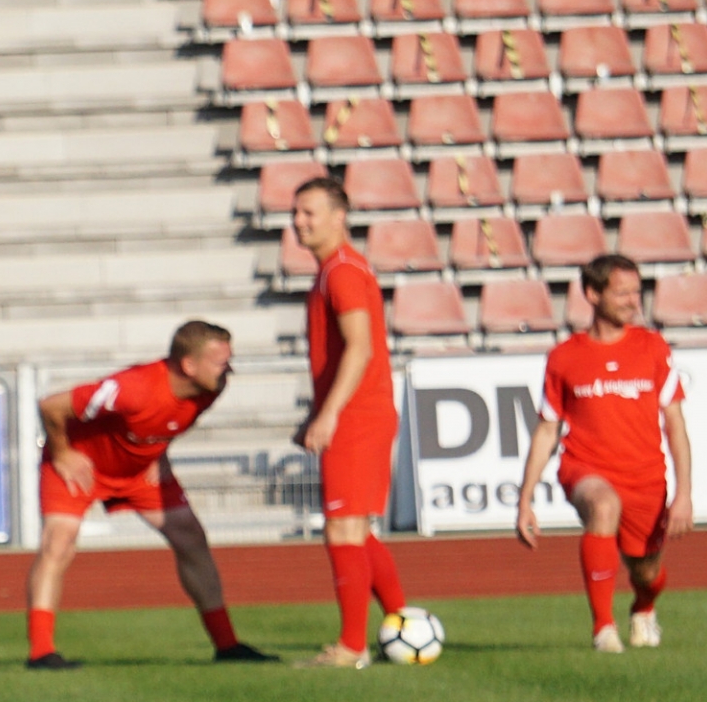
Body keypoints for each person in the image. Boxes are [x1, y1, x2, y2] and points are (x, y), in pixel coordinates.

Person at [24, 321, 276, 668]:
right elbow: (51, 406)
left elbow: (165, 420)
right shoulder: (134, 388)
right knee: (58, 542)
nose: (229, 369)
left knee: (191, 537)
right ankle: (41, 652)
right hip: (80, 464)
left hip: (140, 471)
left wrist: (160, 453)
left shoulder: (211, 389)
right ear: (189, 365)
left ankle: (228, 646)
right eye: (221, 362)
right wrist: (63, 454)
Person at [517, 255, 692, 651]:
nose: (633, 301)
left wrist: (684, 493)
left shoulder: (652, 348)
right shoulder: (564, 357)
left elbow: (676, 424)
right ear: (593, 294)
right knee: (603, 505)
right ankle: (604, 629)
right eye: (622, 293)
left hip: (646, 477)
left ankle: (643, 607)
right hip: (585, 467)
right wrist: (525, 499)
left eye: (636, 292)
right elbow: (547, 428)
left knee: (647, 572)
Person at [290, 177, 415, 669]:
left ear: (339, 216)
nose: (298, 222)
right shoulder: (335, 269)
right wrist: (317, 411)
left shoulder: (341, 271)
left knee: (343, 528)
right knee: (356, 529)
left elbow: (359, 348)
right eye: (296, 213)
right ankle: (402, 623)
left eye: (309, 212)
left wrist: (330, 413)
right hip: (359, 411)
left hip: (358, 415)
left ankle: (351, 646)